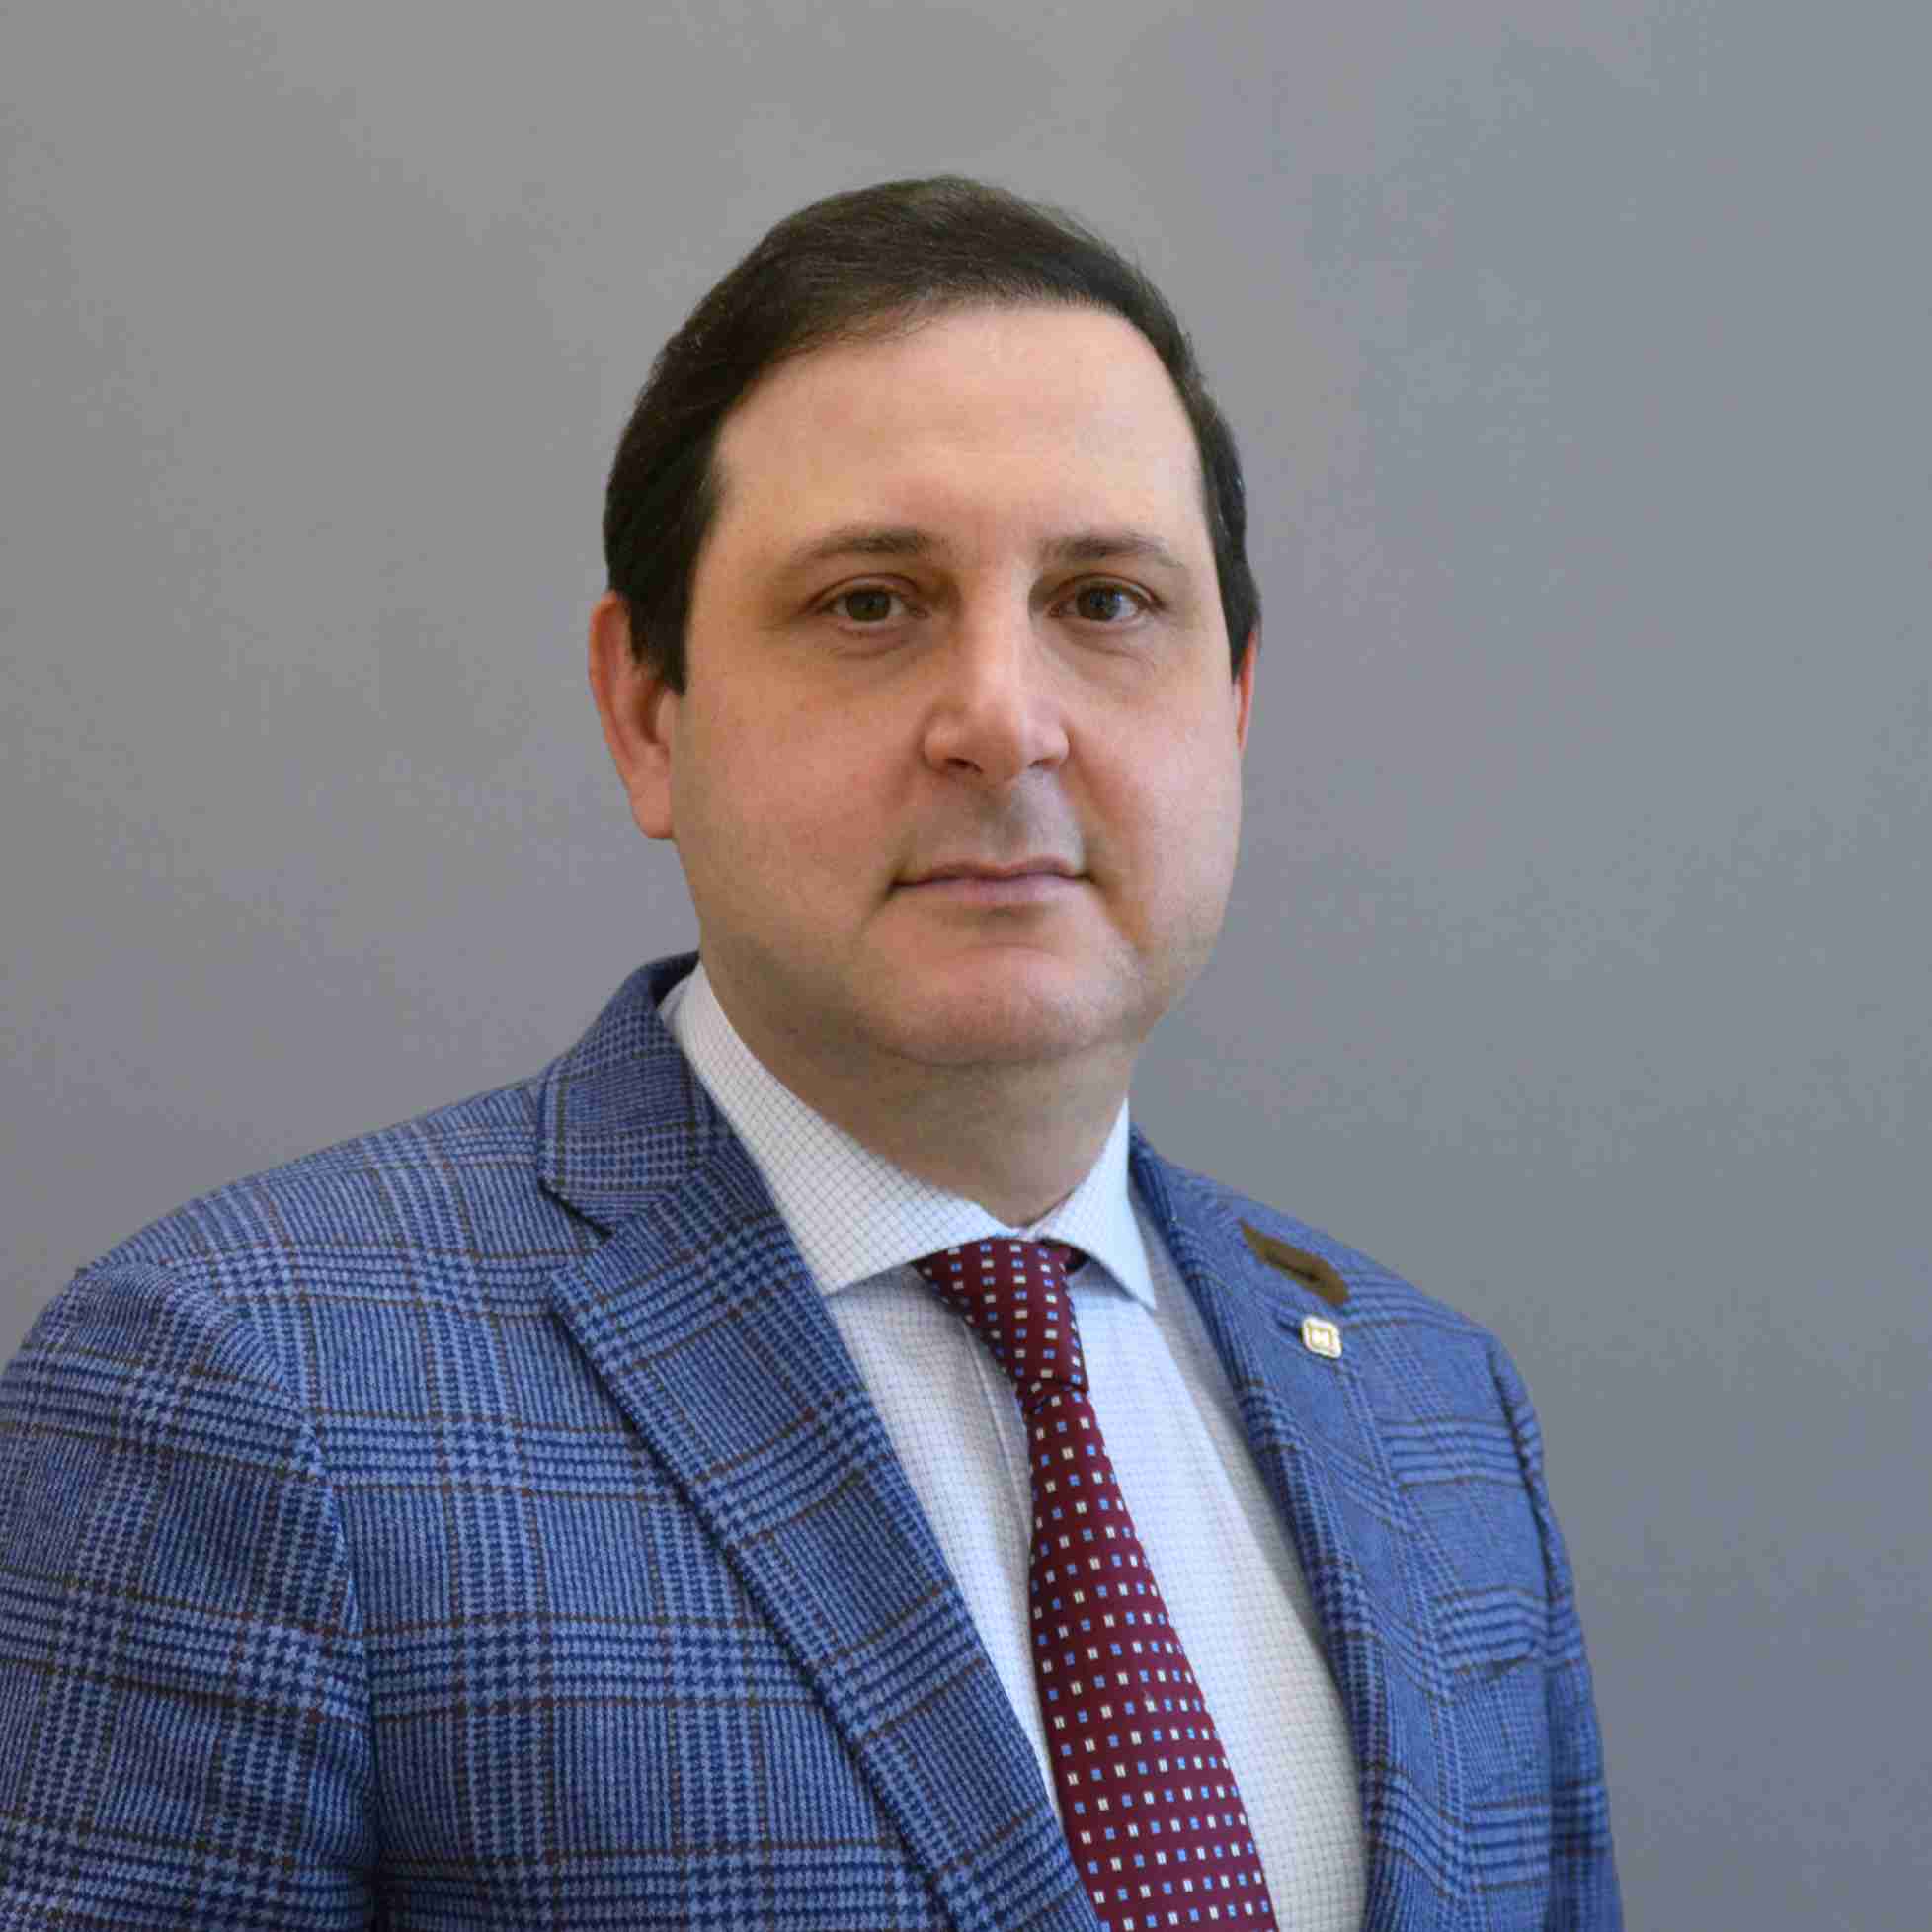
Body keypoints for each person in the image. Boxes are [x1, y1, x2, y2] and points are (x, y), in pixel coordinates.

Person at [0, 177, 1619, 1931]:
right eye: (869, 604)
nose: (1002, 719)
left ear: (1231, 704)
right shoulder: (250, 1393)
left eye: (1104, 600)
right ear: (647, 710)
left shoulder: (1433, 1414)